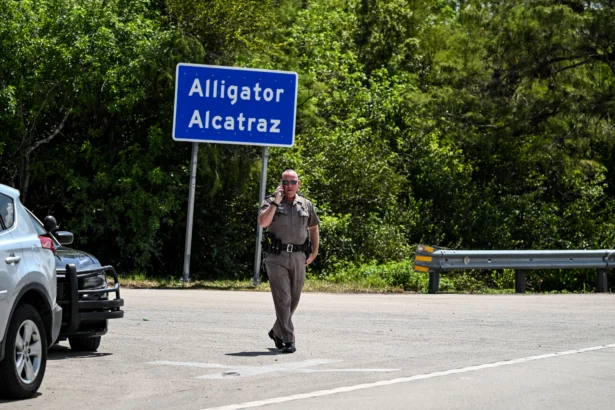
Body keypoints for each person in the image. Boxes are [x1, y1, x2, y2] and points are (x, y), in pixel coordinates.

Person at [258, 169, 320, 353]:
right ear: (281, 184)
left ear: (298, 184)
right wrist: (276, 201)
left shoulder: (306, 204)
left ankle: (276, 331)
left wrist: (314, 252)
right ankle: (288, 339)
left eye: (293, 182)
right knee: (283, 299)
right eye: (286, 182)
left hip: (299, 257)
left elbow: (314, 227)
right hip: (276, 258)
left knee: (294, 298)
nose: (290, 186)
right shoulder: (270, 202)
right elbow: (263, 222)